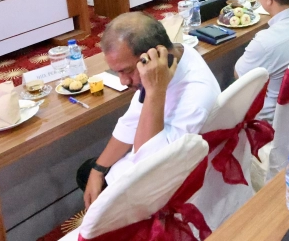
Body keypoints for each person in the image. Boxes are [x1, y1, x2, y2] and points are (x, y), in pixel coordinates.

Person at [78, 12, 220, 208]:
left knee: (86, 176)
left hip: (166, 182)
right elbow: (131, 120)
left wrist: (155, 91)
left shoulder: (194, 94)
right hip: (157, 159)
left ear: (153, 56)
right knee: (88, 170)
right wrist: (98, 169)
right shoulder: (173, 57)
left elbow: (151, 166)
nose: (123, 81)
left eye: (126, 71)